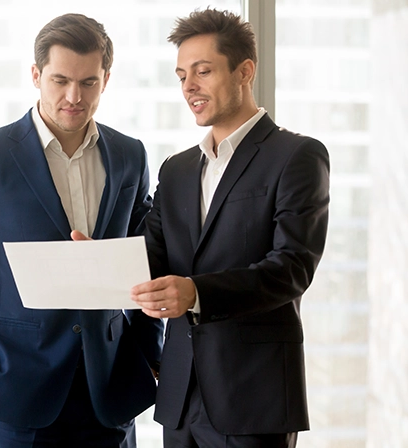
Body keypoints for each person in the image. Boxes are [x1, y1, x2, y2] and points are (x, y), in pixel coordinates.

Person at [0, 13, 164, 448]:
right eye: (60, 80)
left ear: (105, 80)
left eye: (89, 82)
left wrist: (151, 355)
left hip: (109, 395)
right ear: (36, 76)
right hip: (18, 394)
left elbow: (146, 262)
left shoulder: (130, 156)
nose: (74, 96)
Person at [129, 8, 330, 448]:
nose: (189, 87)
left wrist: (197, 293)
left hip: (254, 397)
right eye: (182, 75)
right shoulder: (177, 169)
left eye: (203, 71)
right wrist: (98, 261)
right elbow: (151, 257)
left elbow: (292, 267)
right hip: (180, 397)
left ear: (245, 71)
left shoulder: (297, 156)